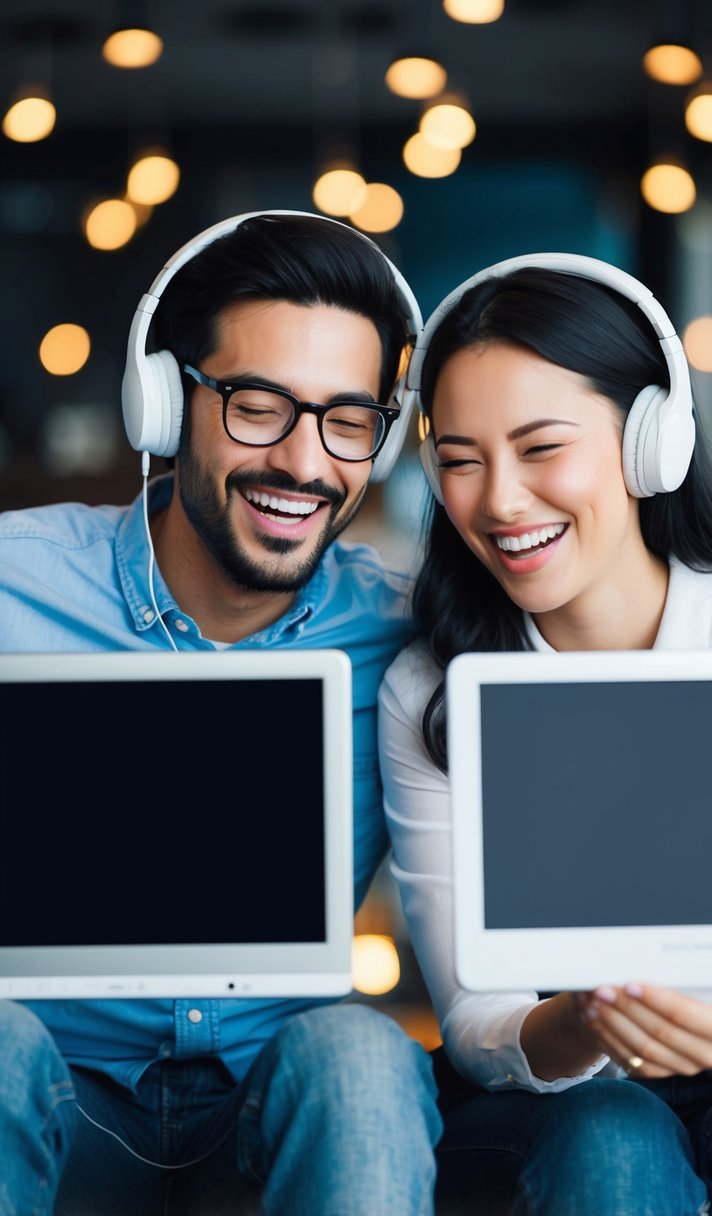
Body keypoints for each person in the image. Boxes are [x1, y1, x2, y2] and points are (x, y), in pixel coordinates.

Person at [0, 210, 442, 1216]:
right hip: (51, 1109)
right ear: (164, 401)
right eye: (257, 405)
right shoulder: (12, 587)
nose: (303, 462)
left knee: (361, 1051)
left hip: (269, 1116)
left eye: (346, 419)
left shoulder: (405, 631)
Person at [378, 252, 712, 1216]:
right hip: (567, 1099)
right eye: (458, 460)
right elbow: (474, 1019)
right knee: (609, 1136)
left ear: (648, 443)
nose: (497, 501)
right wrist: (587, 1023)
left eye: (541, 448)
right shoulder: (432, 687)